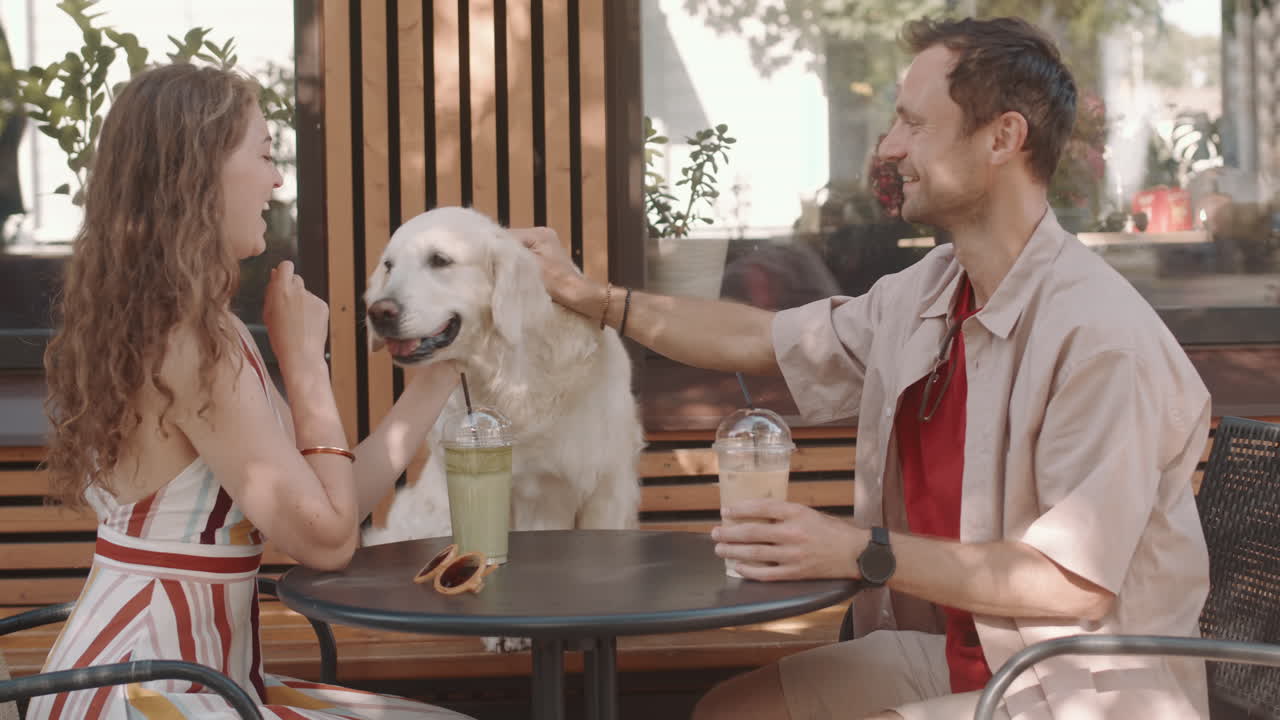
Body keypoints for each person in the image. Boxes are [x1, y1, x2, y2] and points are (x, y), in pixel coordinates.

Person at [518, 16, 1211, 720]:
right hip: (971, 657)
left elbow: (1072, 582)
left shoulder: (1099, 339)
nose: (889, 147)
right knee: (730, 712)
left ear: (1003, 138)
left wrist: (861, 552)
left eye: (915, 124)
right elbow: (762, 340)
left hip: (1075, 689)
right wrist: (593, 299)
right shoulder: (936, 289)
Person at [34, 63, 471, 719]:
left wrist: (442, 368)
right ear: (199, 172)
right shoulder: (190, 343)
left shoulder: (187, 327)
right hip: (145, 689)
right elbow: (327, 543)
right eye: (266, 155)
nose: (277, 181)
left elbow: (330, 505)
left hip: (190, 678)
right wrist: (304, 361)